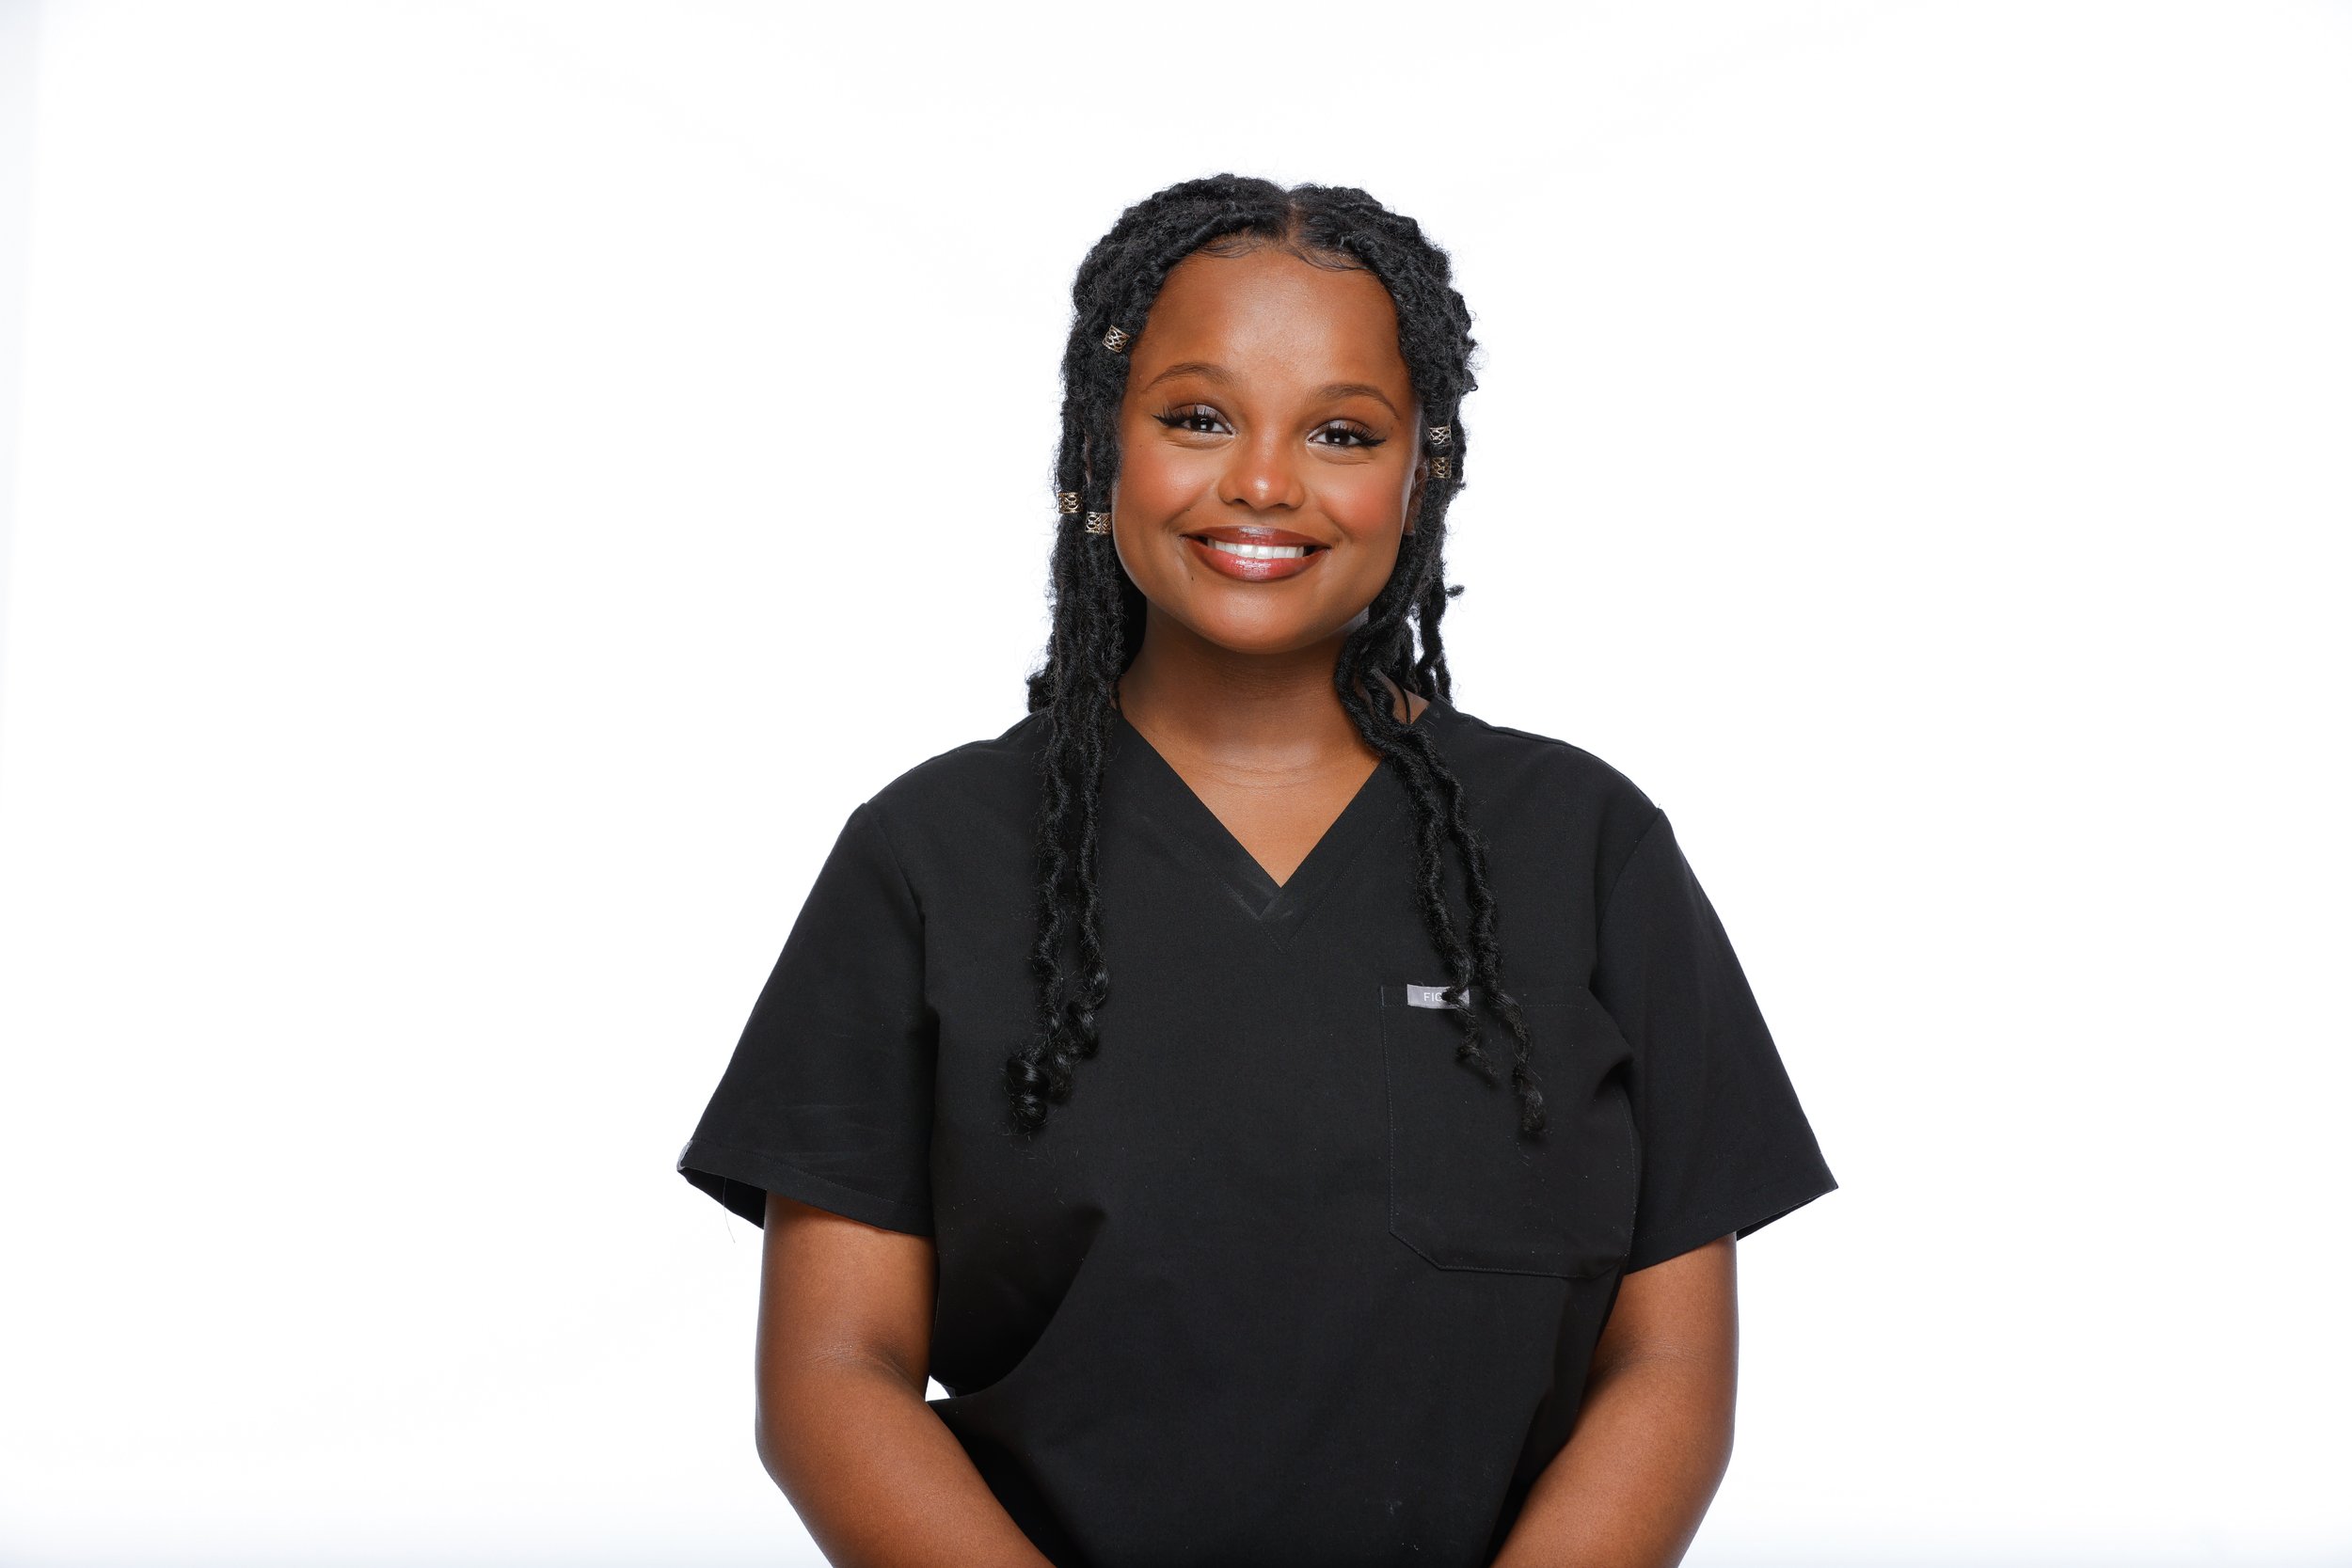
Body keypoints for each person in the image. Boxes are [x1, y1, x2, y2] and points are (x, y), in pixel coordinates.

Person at [675, 173, 1838, 1568]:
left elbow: (1669, 1369)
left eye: (1342, 431)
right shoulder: (927, 858)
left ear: (1424, 474)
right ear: (1100, 446)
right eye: (1198, 417)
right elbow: (833, 1377)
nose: (1265, 483)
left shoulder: (1585, 848)